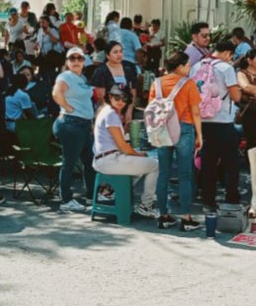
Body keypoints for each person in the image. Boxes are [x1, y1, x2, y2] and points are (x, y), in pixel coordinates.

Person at [152, 51, 203, 230]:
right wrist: (200, 135)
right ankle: (186, 217)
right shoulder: (188, 84)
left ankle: (163, 215)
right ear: (180, 66)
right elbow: (196, 111)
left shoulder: (157, 83)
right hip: (184, 129)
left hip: (162, 131)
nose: (190, 68)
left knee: (163, 174)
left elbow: (153, 109)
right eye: (188, 65)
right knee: (185, 176)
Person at [92, 85, 159, 219]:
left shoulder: (105, 110)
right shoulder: (111, 114)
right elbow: (123, 146)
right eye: (117, 97)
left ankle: (111, 194)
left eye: (124, 98)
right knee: (155, 164)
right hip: (109, 160)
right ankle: (146, 205)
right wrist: (139, 154)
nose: (120, 101)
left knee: (140, 167)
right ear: (110, 97)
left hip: (104, 158)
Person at [192, 38, 242, 212]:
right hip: (223, 122)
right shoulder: (226, 68)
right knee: (231, 163)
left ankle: (208, 201)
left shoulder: (197, 67)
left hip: (202, 121)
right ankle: (232, 197)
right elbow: (236, 97)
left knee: (208, 162)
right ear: (228, 53)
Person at [53, 46, 96, 212]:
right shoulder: (65, 76)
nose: (76, 61)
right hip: (71, 123)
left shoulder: (83, 78)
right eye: (72, 58)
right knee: (69, 162)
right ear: (67, 62)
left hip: (83, 124)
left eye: (79, 58)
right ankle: (66, 199)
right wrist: (68, 108)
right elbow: (56, 94)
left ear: (84, 61)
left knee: (89, 160)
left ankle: (91, 194)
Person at [91, 41, 138, 125]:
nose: (119, 54)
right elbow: (100, 97)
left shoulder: (128, 69)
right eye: (115, 52)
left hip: (126, 112)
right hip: (107, 112)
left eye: (120, 51)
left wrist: (129, 110)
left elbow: (133, 92)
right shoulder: (101, 71)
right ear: (107, 55)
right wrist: (116, 112)